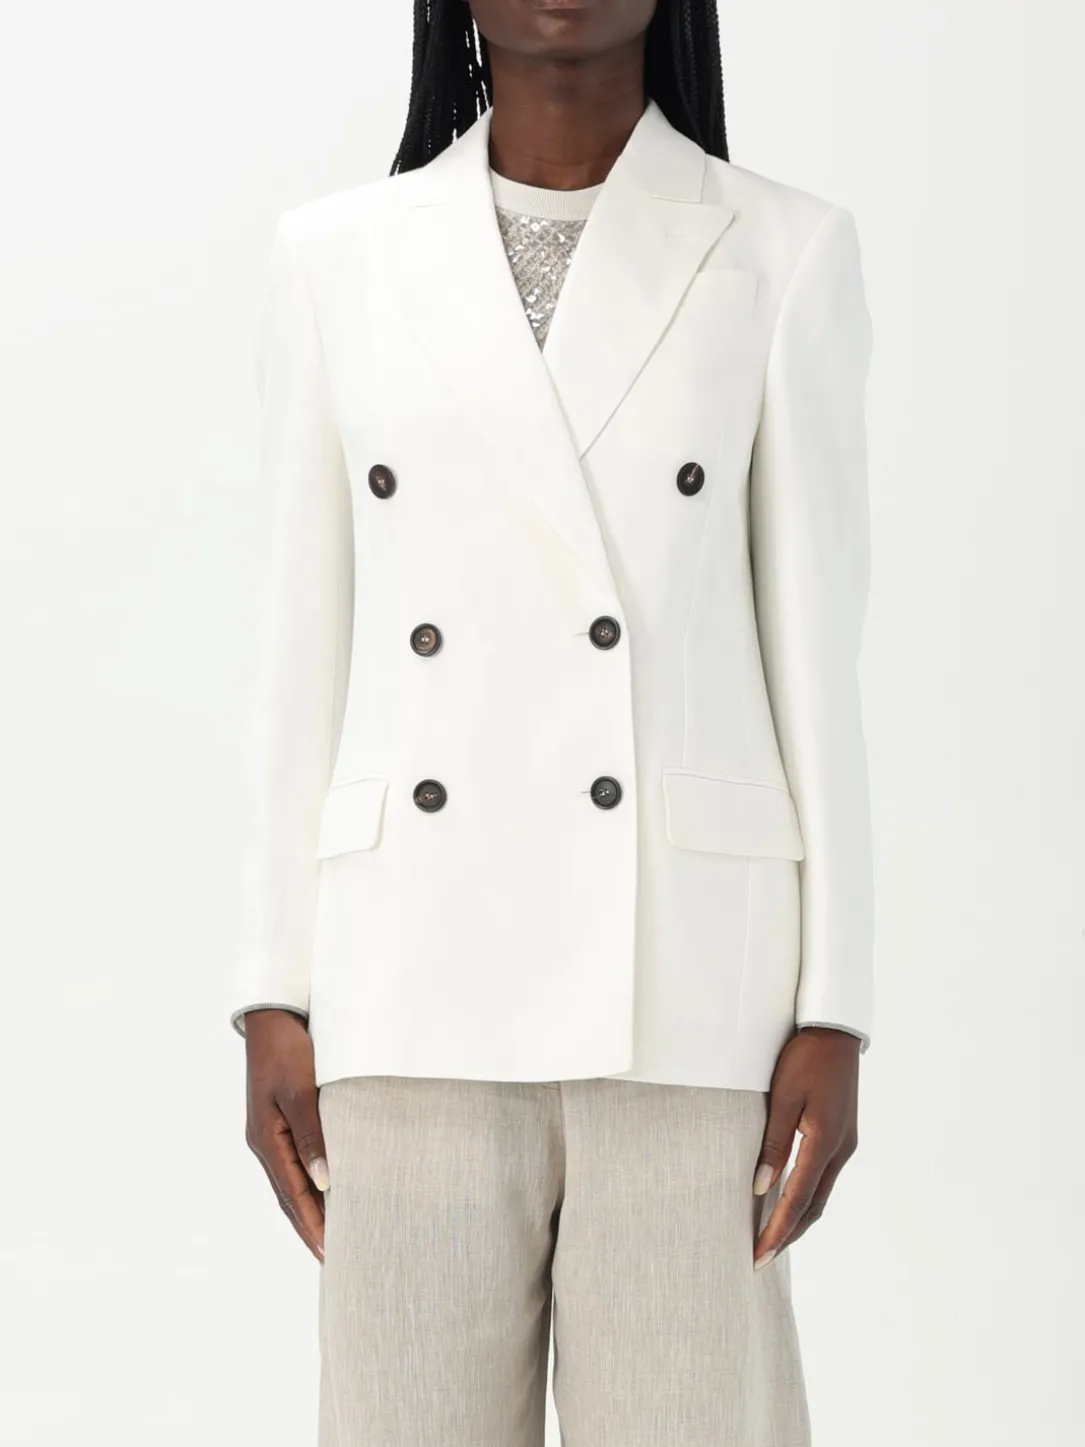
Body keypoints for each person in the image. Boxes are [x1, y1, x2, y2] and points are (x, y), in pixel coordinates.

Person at [230, 2, 875, 1443]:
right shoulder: (335, 259)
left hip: (690, 991)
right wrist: (272, 982)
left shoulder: (781, 250)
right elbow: (300, 648)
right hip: (406, 975)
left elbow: (816, 662)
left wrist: (836, 1003)